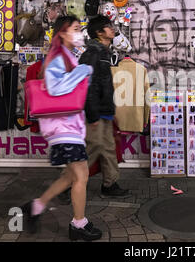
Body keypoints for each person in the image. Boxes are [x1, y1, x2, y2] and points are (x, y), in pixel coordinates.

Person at [21, 16, 103, 241]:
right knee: (81, 176)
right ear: (62, 34)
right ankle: (78, 224)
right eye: (75, 29)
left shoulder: (66, 57)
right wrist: (83, 71)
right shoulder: (58, 58)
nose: (80, 33)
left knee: (70, 176)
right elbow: (56, 89)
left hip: (67, 127)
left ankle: (36, 206)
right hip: (63, 128)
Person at [78, 15, 129, 197]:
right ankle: (67, 184)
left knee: (108, 148)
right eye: (108, 27)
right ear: (99, 33)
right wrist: (92, 115)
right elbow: (87, 87)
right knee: (91, 150)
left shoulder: (104, 53)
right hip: (95, 113)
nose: (112, 29)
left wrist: (110, 110)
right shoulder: (92, 54)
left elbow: (103, 85)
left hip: (104, 111)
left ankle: (109, 184)